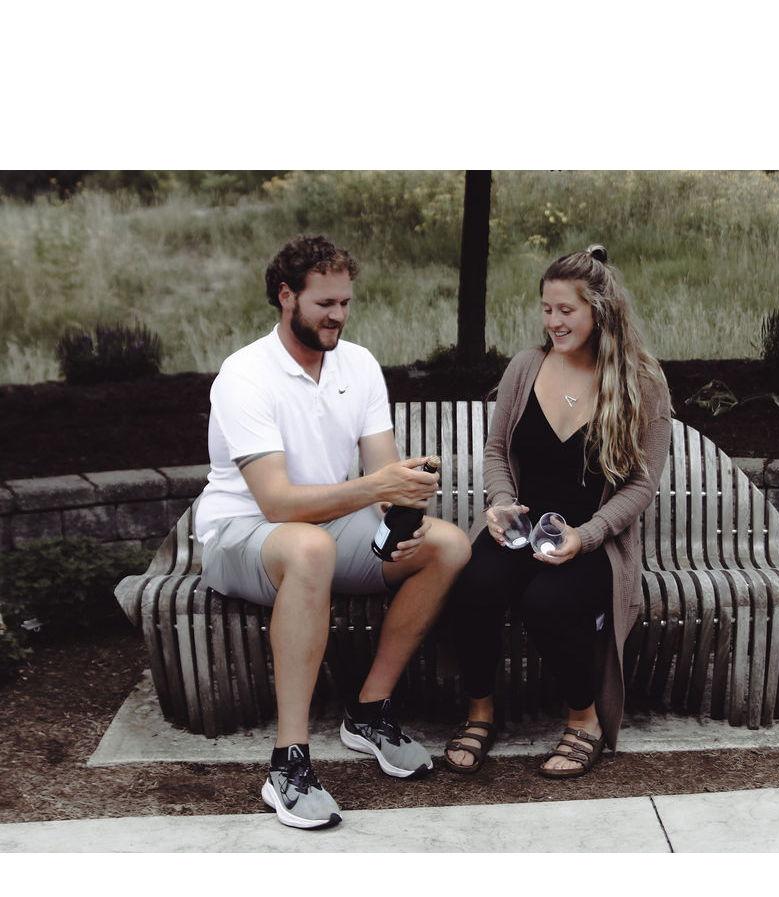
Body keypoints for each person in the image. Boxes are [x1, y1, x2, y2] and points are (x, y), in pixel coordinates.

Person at [195, 235, 471, 829]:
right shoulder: (245, 375)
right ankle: (287, 764)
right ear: (285, 296)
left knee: (448, 545)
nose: (338, 316)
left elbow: (382, 475)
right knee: (310, 546)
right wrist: (376, 490)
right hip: (241, 533)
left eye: (345, 303)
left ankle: (369, 711)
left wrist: (402, 507)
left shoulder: (358, 364)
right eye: (324, 303)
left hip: (324, 529)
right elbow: (275, 502)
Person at [443, 244, 672, 778]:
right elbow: (497, 451)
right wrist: (501, 504)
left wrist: (585, 536)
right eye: (547, 309)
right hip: (519, 528)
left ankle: (583, 718)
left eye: (566, 310)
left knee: (547, 602)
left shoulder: (643, 383)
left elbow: (641, 486)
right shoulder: (526, 367)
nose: (553, 322)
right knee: (474, 585)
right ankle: (480, 713)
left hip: (592, 539)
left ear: (600, 310)